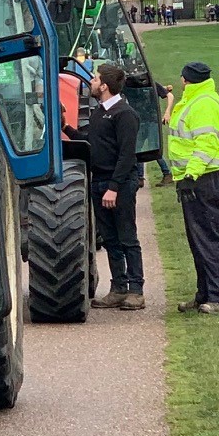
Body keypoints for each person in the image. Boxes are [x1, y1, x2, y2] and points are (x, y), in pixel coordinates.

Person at [169, 61, 219, 313]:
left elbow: (206, 144)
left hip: (204, 177)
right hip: (197, 177)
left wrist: (190, 175)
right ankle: (203, 294)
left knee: (209, 238)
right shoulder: (196, 99)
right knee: (198, 239)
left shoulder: (203, 103)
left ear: (187, 79)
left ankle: (217, 297)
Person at [86, 62, 145, 310]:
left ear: (104, 86)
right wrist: (66, 127)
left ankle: (136, 290)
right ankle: (118, 287)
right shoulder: (99, 113)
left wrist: (113, 187)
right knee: (110, 238)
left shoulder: (125, 114)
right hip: (99, 181)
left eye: (95, 79)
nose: (91, 82)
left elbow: (126, 155)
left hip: (118, 183)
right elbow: (93, 143)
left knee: (127, 236)